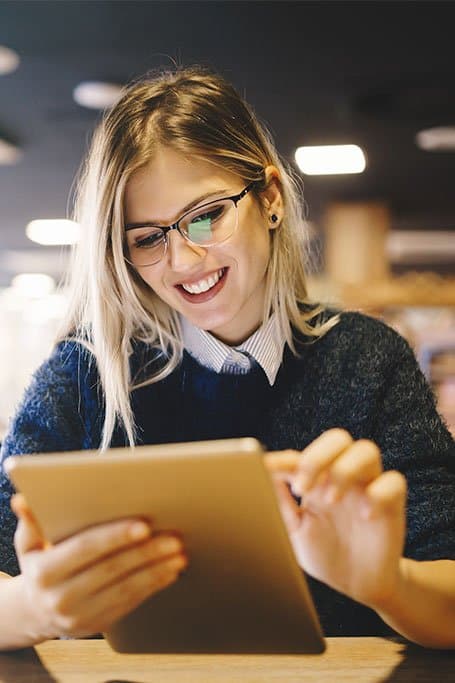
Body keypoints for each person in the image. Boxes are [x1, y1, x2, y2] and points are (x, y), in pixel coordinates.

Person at [0, 65, 454, 651]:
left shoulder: (366, 359)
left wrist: (389, 584)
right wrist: (34, 607)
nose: (184, 262)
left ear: (269, 198)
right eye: (147, 238)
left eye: (206, 216)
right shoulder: (86, 372)